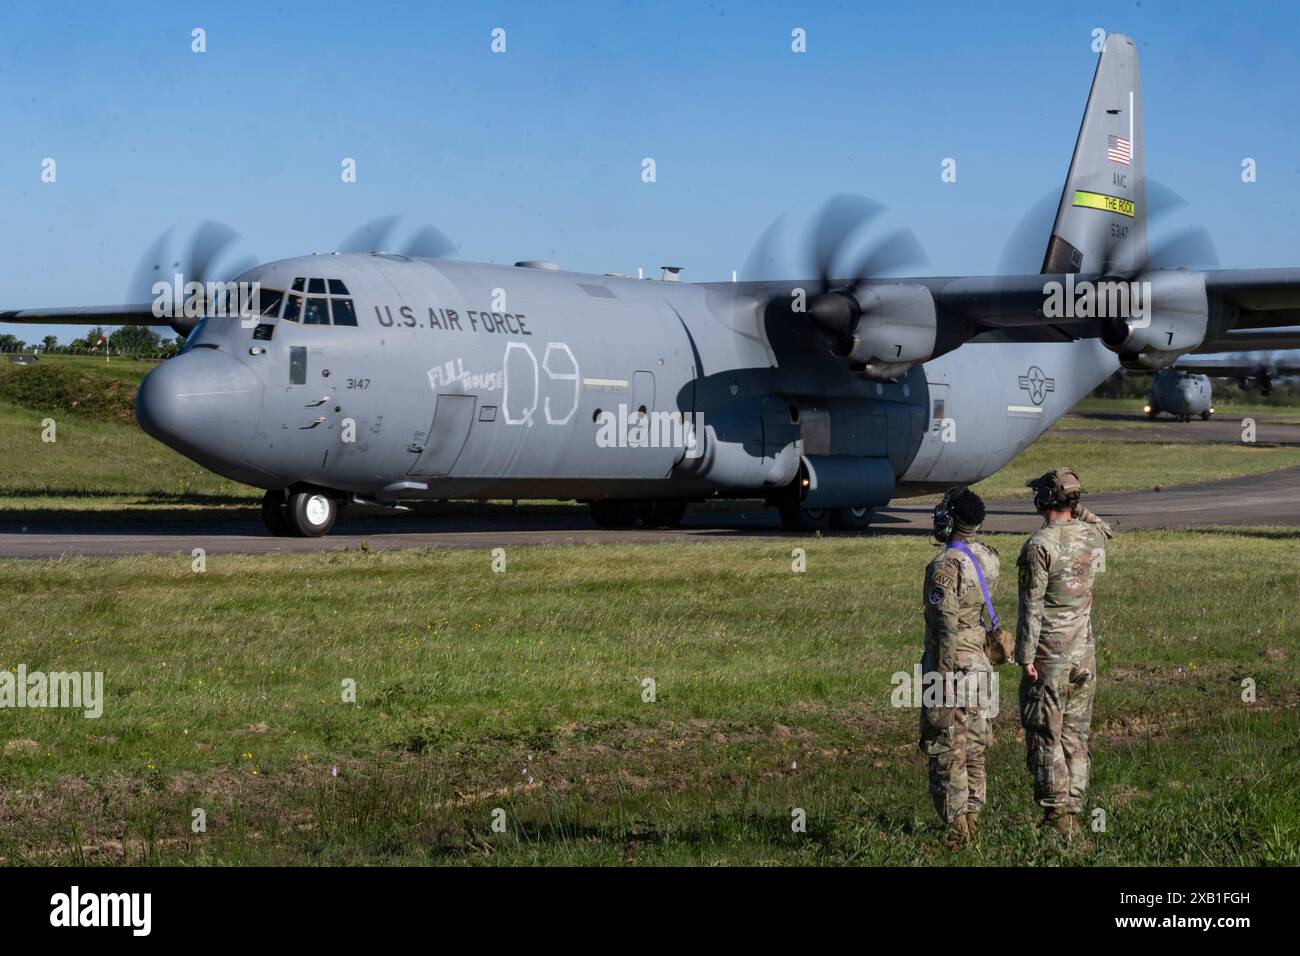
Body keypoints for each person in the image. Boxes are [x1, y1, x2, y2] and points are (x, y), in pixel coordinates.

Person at [1015, 467, 1112, 840]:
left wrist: (1025, 656)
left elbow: (1031, 608)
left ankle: (1057, 819)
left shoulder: (1039, 545)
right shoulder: (1092, 536)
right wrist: (1075, 502)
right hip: (1083, 655)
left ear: (1044, 500)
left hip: (1050, 659)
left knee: (1045, 736)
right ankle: (1073, 808)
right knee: (1076, 736)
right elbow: (1106, 527)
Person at [919, 486, 1001, 848]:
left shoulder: (944, 566)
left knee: (946, 750)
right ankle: (973, 823)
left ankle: (957, 832)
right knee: (974, 750)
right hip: (981, 666)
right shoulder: (987, 557)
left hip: (953, 667)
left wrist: (940, 685)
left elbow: (946, 628)